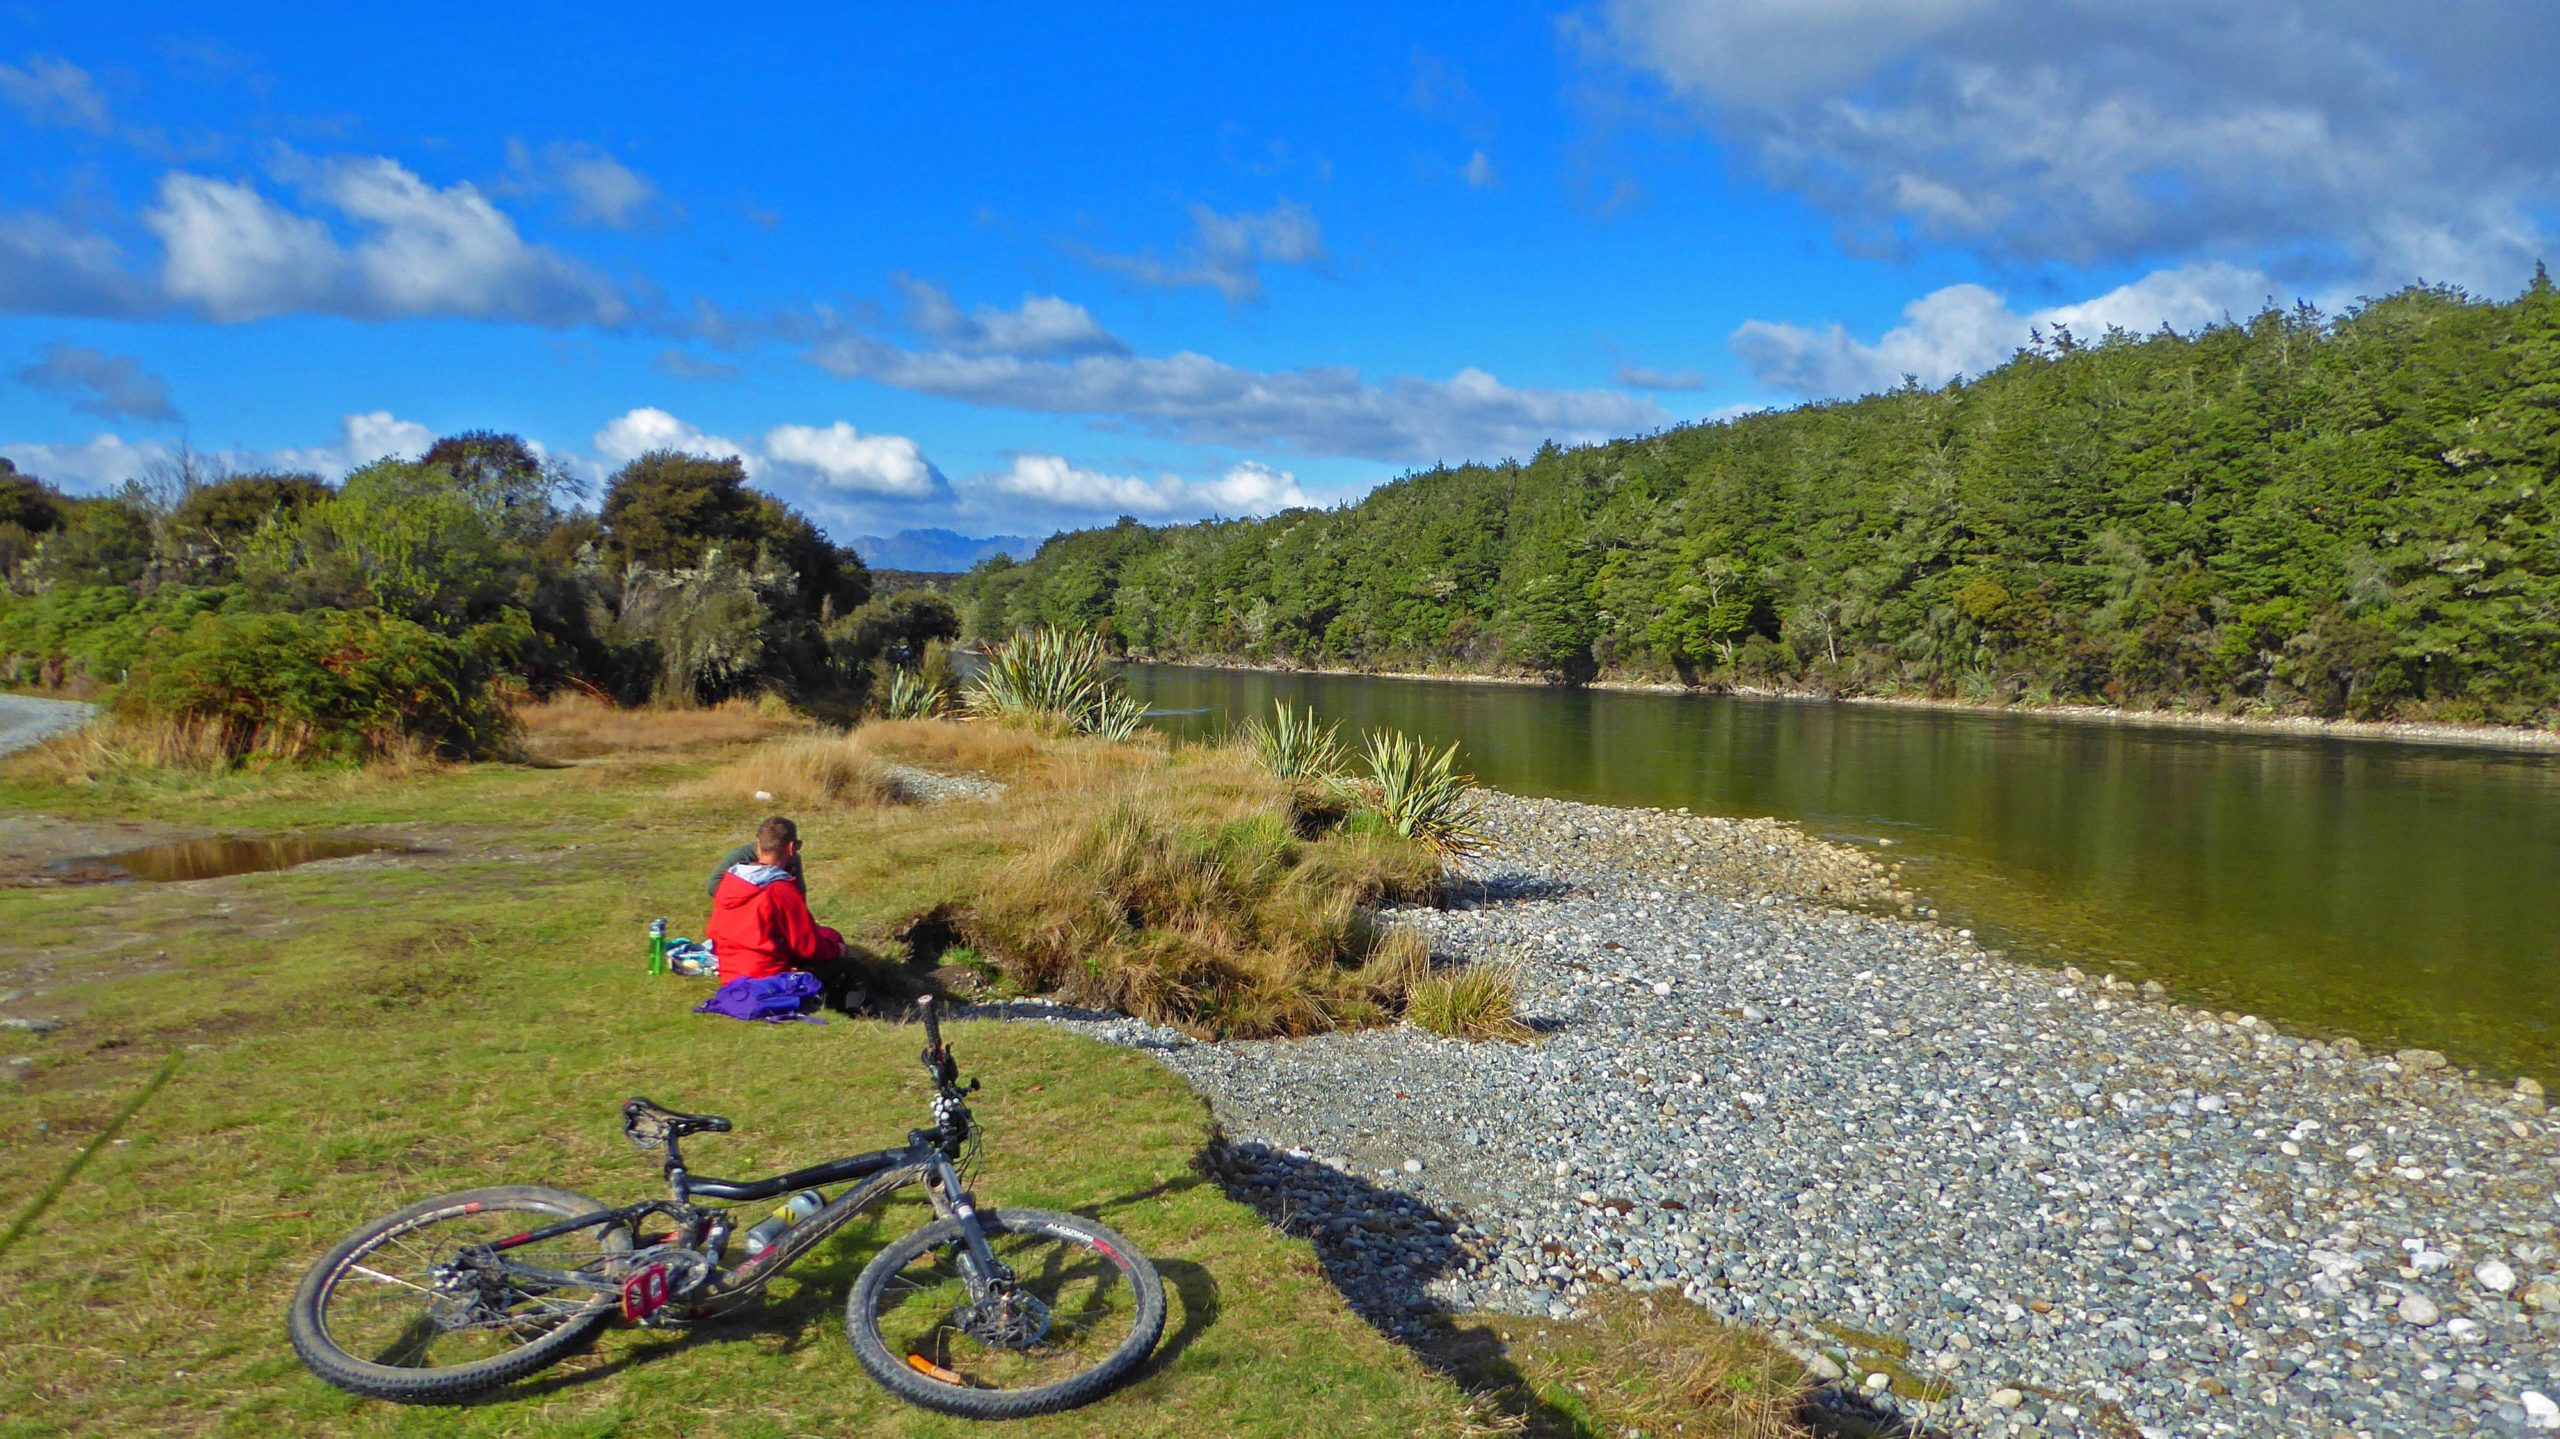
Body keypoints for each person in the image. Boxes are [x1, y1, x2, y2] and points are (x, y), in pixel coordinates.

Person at [704, 816, 848, 991]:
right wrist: (837, 950)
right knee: (848, 964)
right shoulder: (781, 889)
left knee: (827, 936)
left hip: (730, 971)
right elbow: (807, 946)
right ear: (791, 848)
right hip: (767, 974)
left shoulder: (730, 879)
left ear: (758, 843)